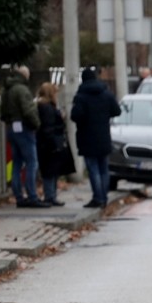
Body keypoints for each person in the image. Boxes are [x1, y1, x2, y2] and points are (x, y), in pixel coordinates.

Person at [71, 68, 120, 208]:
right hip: (104, 136)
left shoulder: (81, 96)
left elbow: (75, 116)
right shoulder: (106, 94)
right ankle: (104, 197)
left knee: (93, 169)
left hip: (87, 137)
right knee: (104, 168)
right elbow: (117, 111)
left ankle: (98, 197)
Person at [0, 65, 45, 208]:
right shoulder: (22, 90)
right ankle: (32, 196)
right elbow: (28, 111)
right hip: (24, 129)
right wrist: (37, 124)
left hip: (11, 128)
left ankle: (19, 196)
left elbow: (2, 112)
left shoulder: (7, 90)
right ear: (25, 75)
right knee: (32, 162)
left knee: (16, 164)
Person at [35, 82, 74, 207]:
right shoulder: (47, 108)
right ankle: (50, 196)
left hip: (48, 142)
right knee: (50, 171)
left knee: (52, 171)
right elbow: (49, 127)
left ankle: (51, 196)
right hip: (51, 143)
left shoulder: (44, 106)